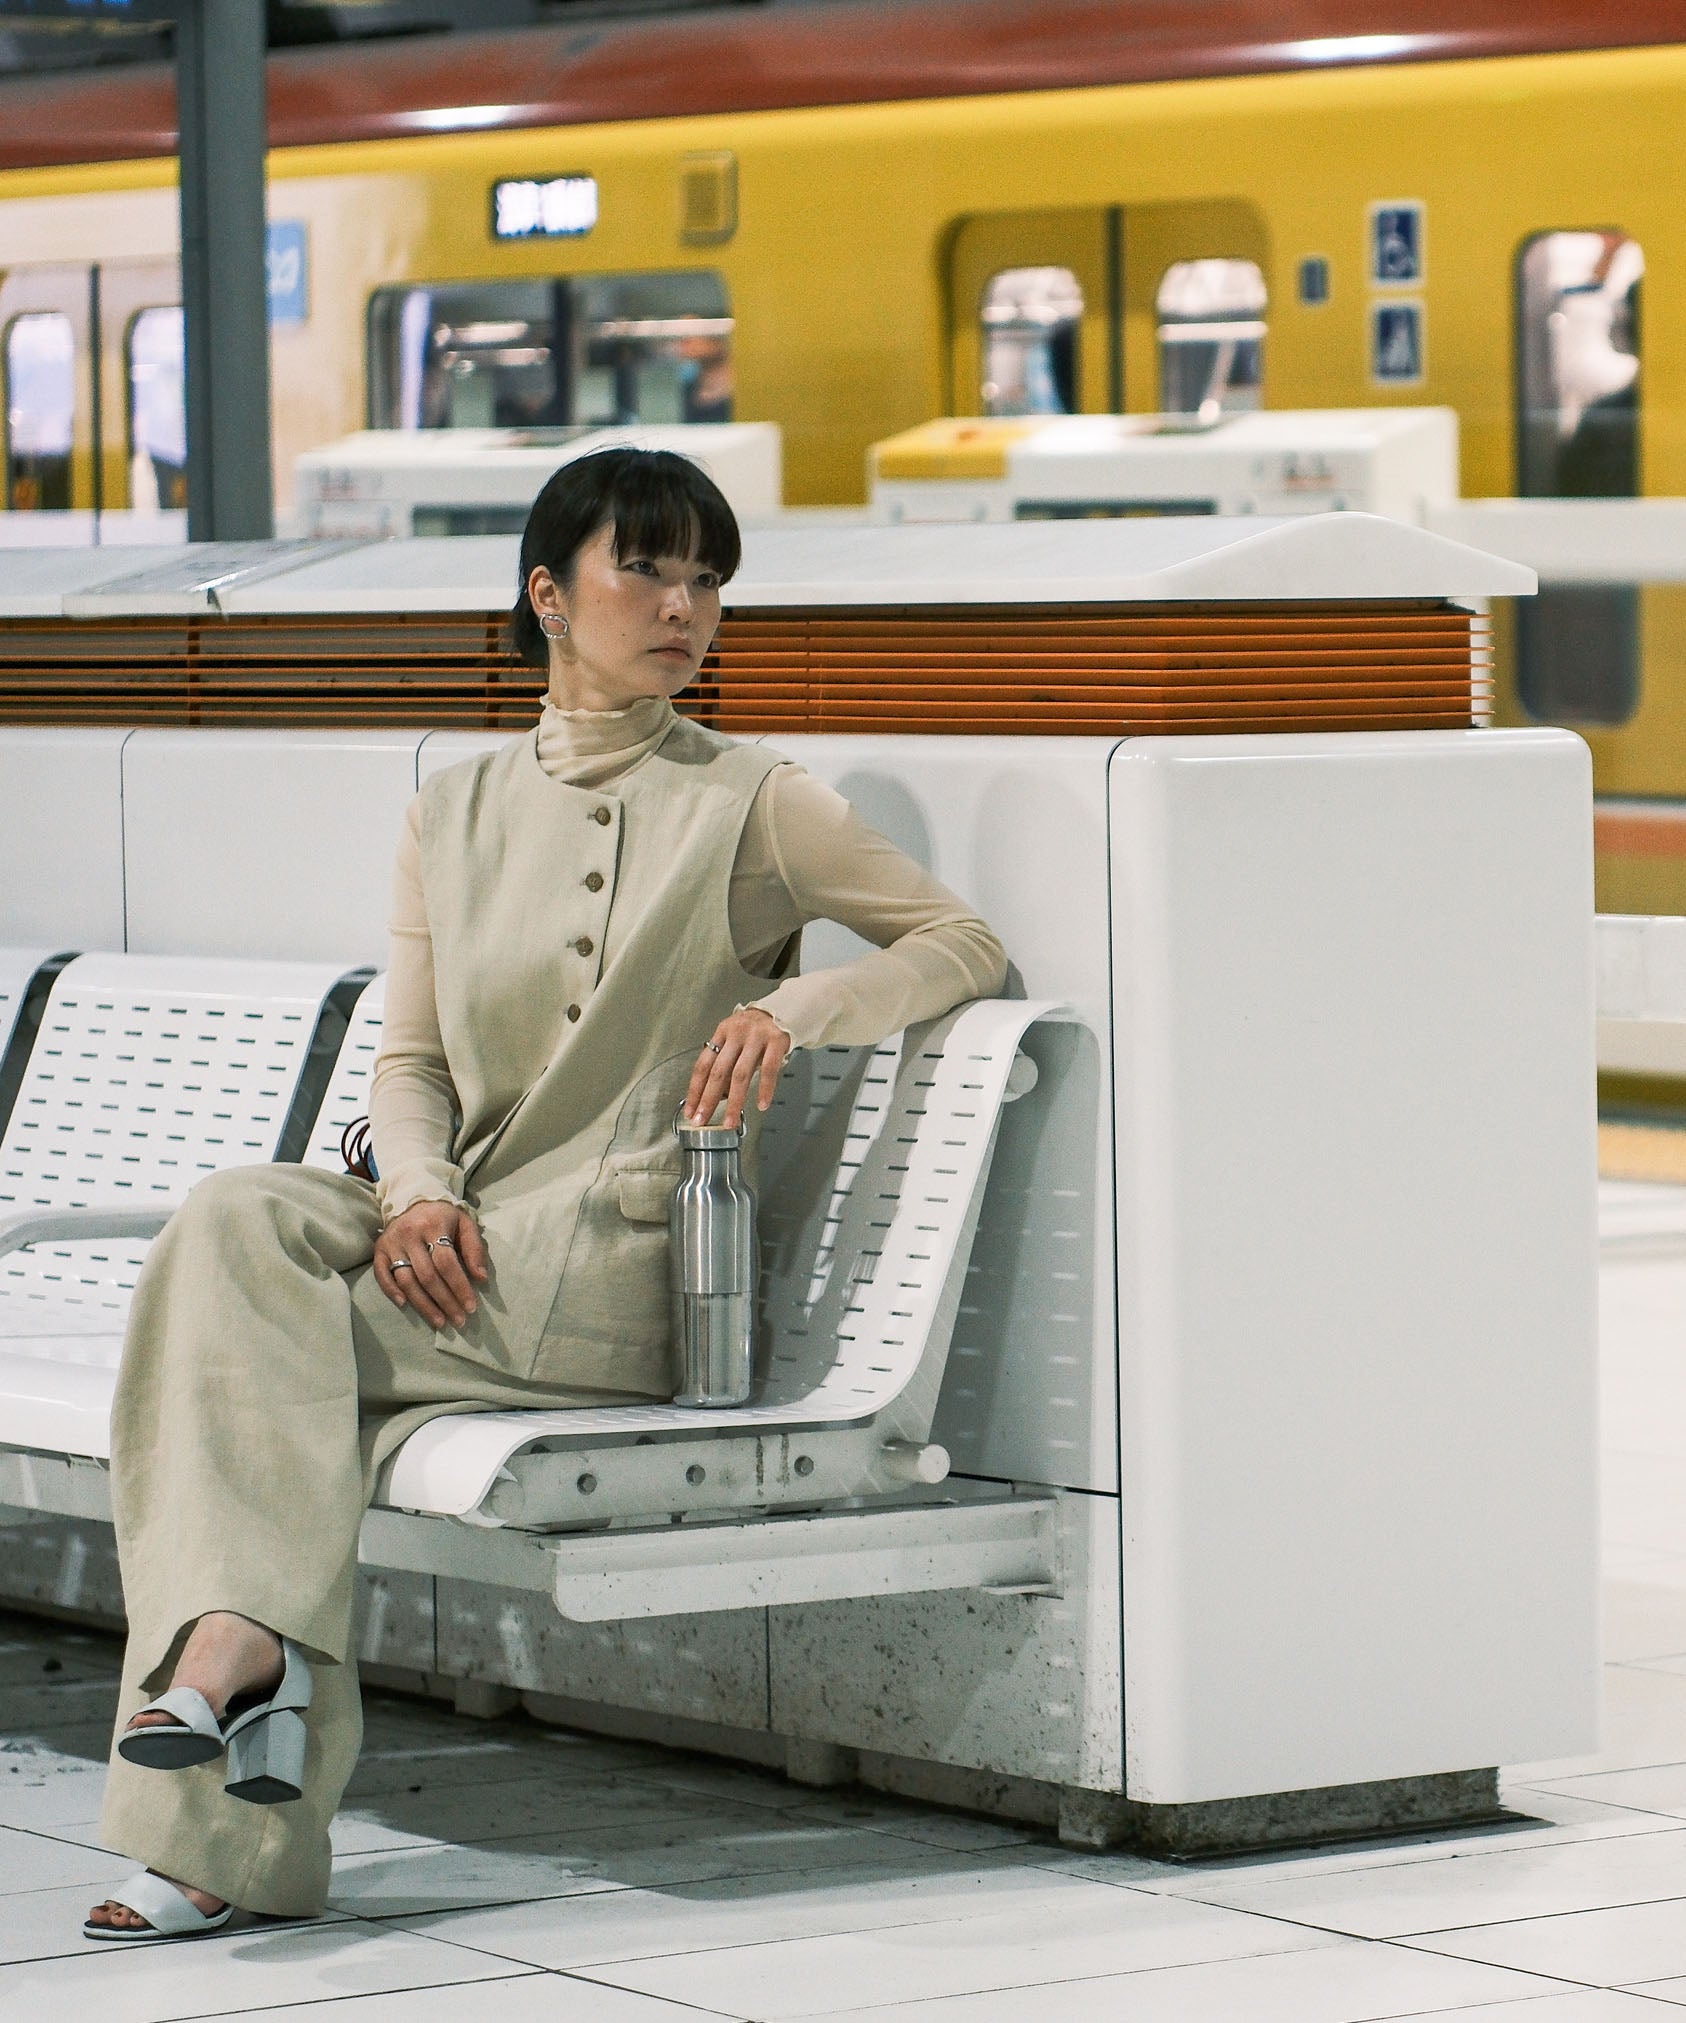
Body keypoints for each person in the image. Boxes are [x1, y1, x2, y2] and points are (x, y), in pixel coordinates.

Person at [85, 446, 1008, 1940]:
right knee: (233, 1220)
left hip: (601, 1266)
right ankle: (238, 1658)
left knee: (243, 1384)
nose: (681, 605)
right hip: (454, 1231)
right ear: (547, 595)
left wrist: (797, 1010)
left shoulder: (756, 803)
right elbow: (410, 1060)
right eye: (643, 569)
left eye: (706, 579)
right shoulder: (451, 810)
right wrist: (417, 1196)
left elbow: (959, 944)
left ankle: (220, 1773)